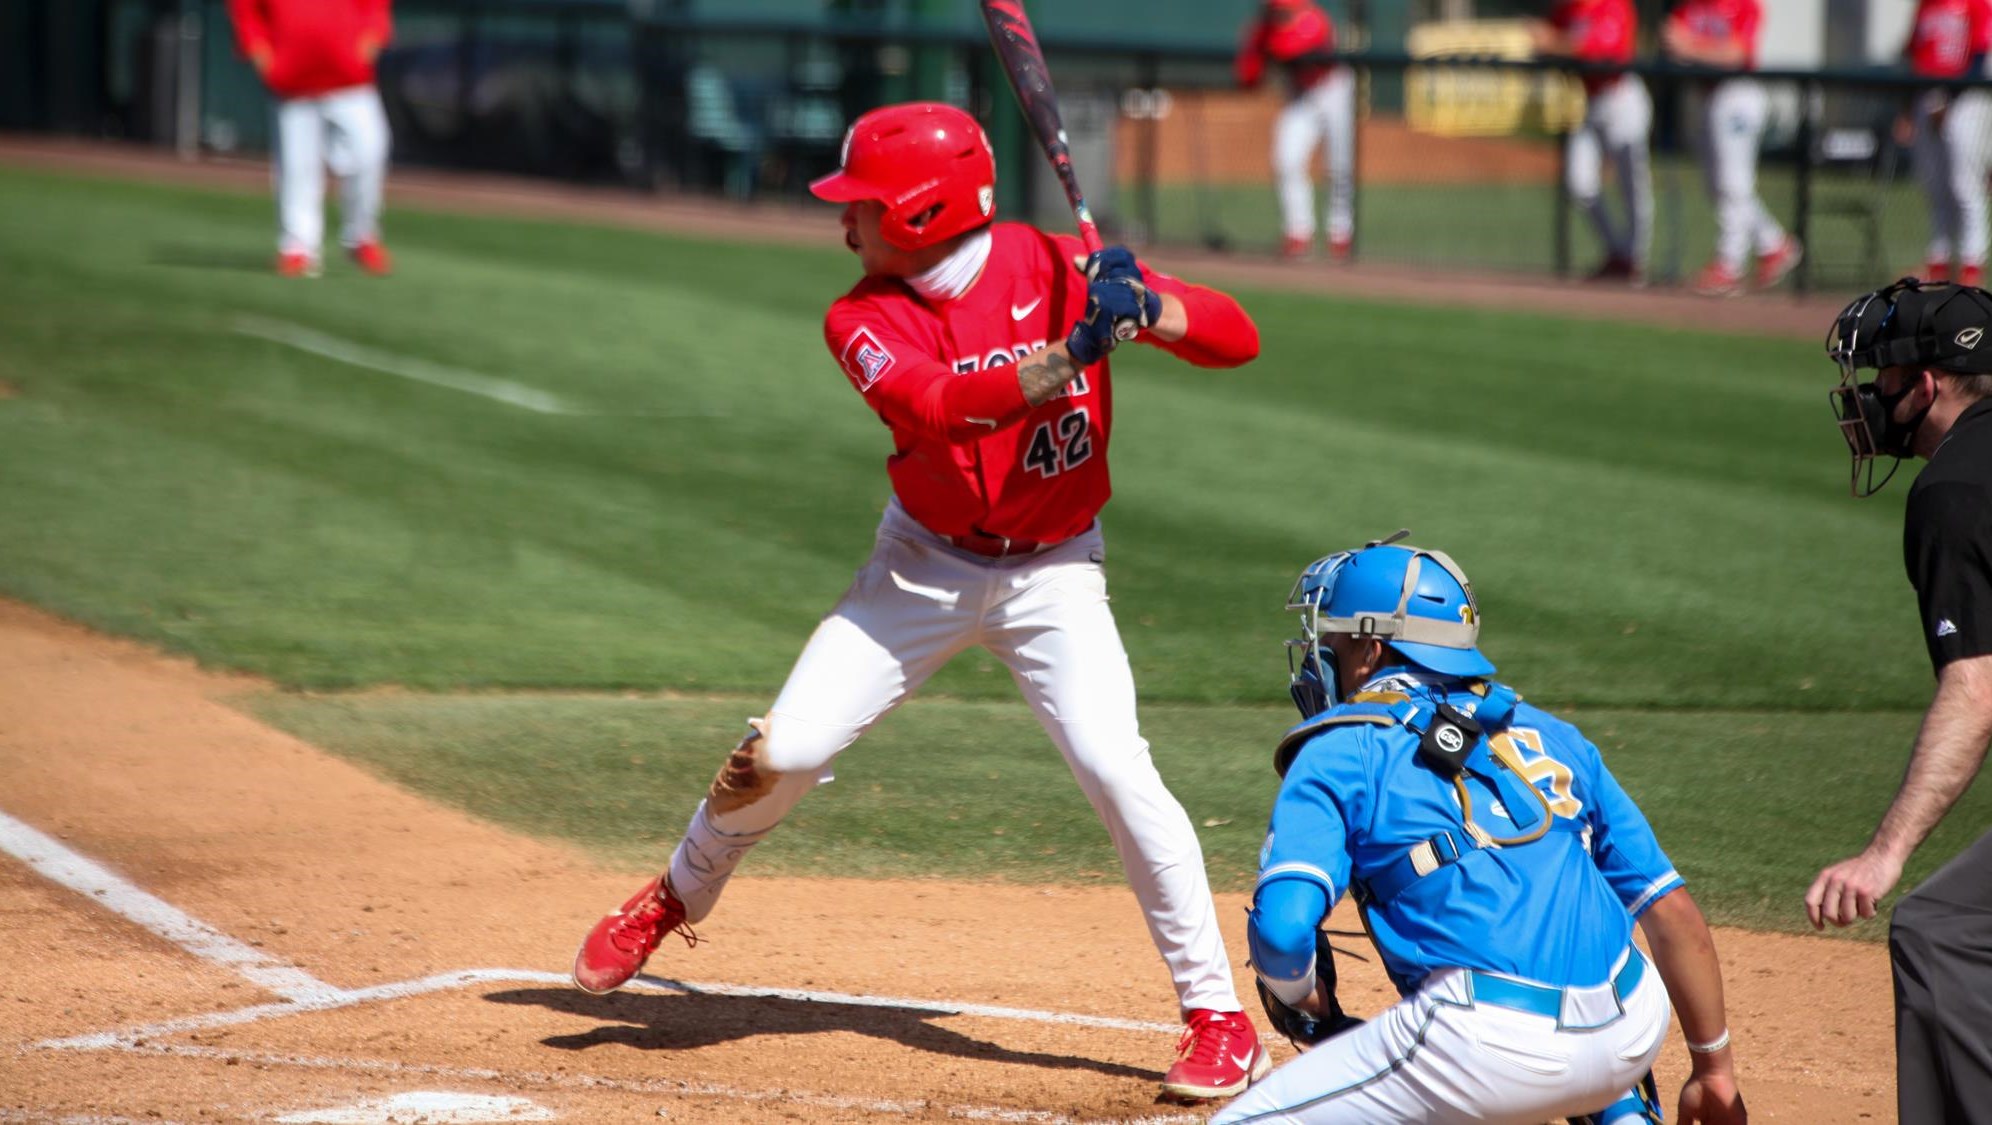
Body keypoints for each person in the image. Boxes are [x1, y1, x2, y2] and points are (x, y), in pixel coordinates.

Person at [569, 101, 1273, 1101]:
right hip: (921, 570)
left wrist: (1150, 309)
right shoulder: (859, 316)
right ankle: (676, 896)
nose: (841, 220)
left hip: (1055, 573)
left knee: (1120, 769)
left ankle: (1218, 1018)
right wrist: (1075, 353)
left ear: (918, 210)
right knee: (788, 752)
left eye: (858, 202)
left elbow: (1237, 338)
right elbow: (936, 409)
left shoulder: (1052, 263)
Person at [1212, 536, 1749, 1125]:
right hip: (1632, 1025)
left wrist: (1308, 1010)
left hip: (1488, 1047)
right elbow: (1670, 911)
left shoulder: (1340, 749)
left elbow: (1283, 936)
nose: (1323, 657)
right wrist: (1712, 1071)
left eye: (1333, 641)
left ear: (1370, 649)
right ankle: (1617, 1109)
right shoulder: (1552, 735)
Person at [1808, 278, 1992, 1123]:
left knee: (1938, 932)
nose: (1867, 398)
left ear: (1925, 385)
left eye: (1879, 378)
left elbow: (1977, 687)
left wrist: (1884, 854)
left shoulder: (1954, 489)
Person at [227, 0, 394, 278]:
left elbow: (375, 7)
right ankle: (298, 247)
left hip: (348, 75)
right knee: (297, 167)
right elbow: (247, 10)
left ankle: (361, 235)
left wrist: (373, 35)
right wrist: (259, 51)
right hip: (293, 79)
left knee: (370, 150)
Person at [1661, 0, 1802, 297]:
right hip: (1708, 96)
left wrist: (1691, 47)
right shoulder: (1692, 5)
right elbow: (1670, 37)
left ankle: (1730, 265)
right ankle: (1773, 242)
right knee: (1717, 186)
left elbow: (1735, 54)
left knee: (1733, 183)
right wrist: (1700, 48)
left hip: (1738, 93)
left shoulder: (1744, 5)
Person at [1534, 0, 1652, 283]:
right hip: (1590, 100)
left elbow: (1597, 49)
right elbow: (1549, 44)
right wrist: (1544, 42)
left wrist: (1553, 41)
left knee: (1632, 185)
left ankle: (1633, 259)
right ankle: (1617, 252)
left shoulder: (1614, 5)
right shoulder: (1568, 10)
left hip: (1622, 97)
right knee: (1579, 182)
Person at [1236, 0, 1357, 262]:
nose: (1278, 12)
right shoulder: (1264, 27)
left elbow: (1289, 46)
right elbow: (1247, 75)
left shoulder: (1314, 18)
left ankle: (1340, 233)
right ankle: (1298, 233)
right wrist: (1256, 48)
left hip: (1332, 89)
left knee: (1339, 166)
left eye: (1282, 8)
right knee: (1287, 159)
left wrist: (1261, 41)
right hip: (1300, 94)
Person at [1900, 0, 1992, 288]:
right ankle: (1938, 260)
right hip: (1927, 97)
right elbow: (1913, 55)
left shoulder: (1977, 4)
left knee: (1965, 185)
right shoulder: (1926, 5)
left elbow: (1979, 59)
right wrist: (1906, 109)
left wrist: (1946, 101)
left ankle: (1971, 262)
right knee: (1934, 185)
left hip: (1965, 100)